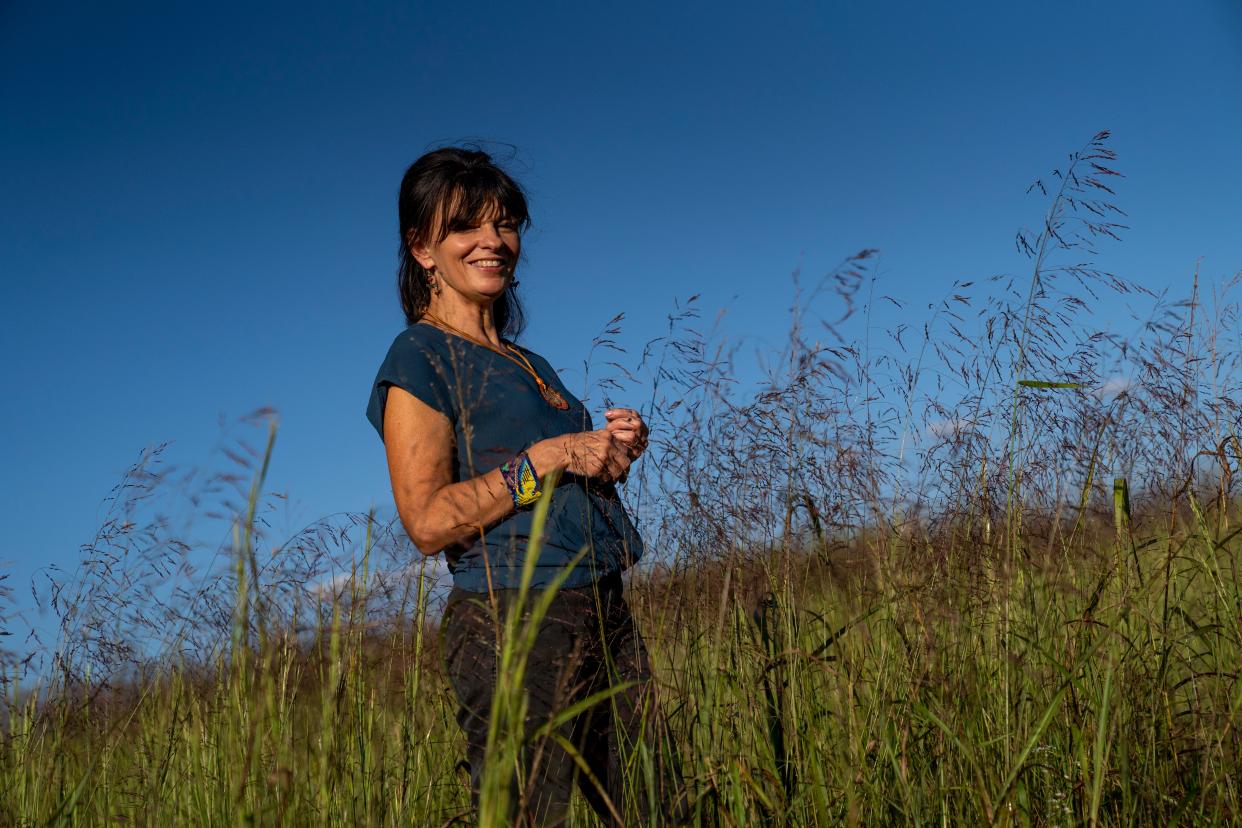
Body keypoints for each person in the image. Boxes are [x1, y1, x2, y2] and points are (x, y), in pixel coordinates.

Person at [365, 147, 682, 826]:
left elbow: (556, 477)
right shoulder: (418, 358)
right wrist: (554, 452)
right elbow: (426, 521)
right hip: (512, 616)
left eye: (505, 224)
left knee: (660, 807)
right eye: (466, 227)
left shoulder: (525, 361)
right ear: (422, 248)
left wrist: (611, 456)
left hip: (601, 605)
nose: (493, 241)